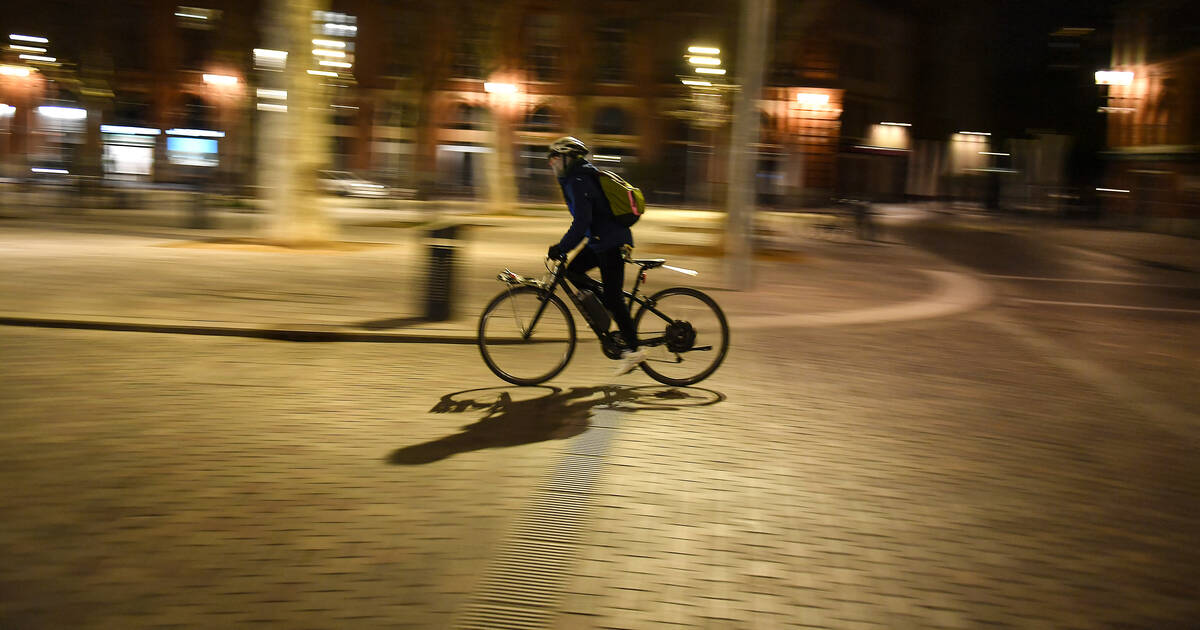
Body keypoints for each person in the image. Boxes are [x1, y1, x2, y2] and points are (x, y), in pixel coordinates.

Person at [544, 136, 646, 376]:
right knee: (572, 271)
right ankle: (609, 311)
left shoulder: (578, 180)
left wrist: (562, 247)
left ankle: (634, 350)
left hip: (612, 242)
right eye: (551, 160)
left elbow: (582, 222)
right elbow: (585, 223)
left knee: (613, 297)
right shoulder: (575, 178)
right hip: (599, 241)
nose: (552, 164)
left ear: (567, 158)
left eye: (555, 158)